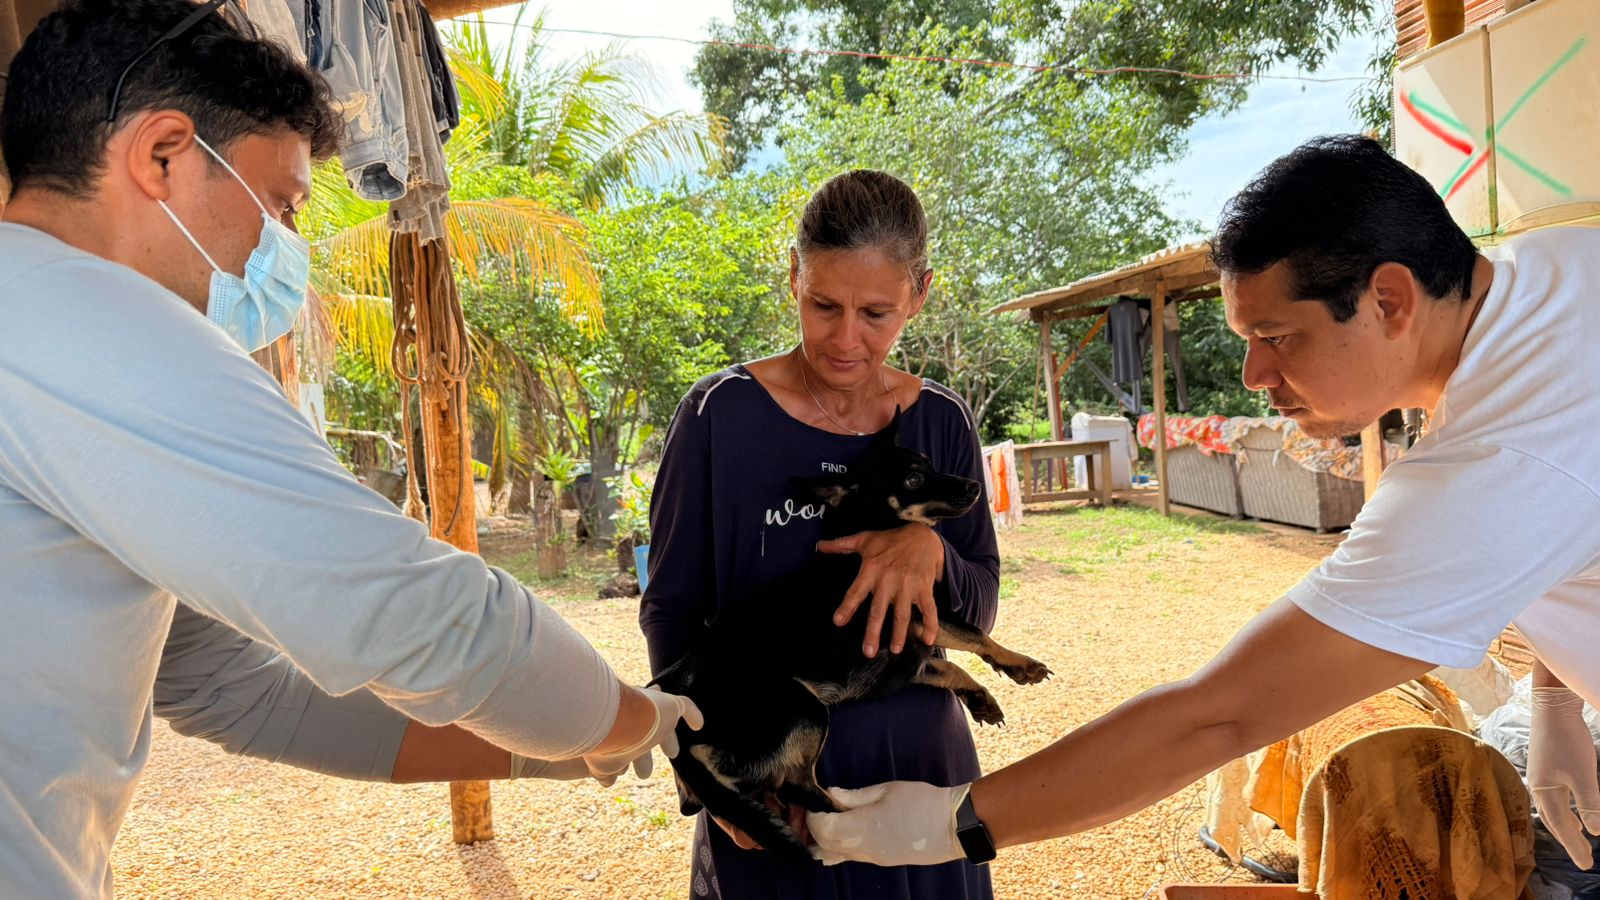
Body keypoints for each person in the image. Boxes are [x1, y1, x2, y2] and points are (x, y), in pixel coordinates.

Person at [0, 1, 699, 896]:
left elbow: (232, 689)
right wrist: (630, 719)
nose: (283, 249)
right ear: (163, 154)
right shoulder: (87, 319)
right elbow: (421, 615)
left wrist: (568, 755)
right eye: (279, 205)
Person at [804, 135, 1600, 877]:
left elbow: (1216, 718)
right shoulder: (1557, 267)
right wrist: (1555, 689)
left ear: (1389, 299)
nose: (1253, 376)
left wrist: (953, 823)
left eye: (1277, 336)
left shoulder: (1493, 460)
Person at [640, 169, 1002, 899]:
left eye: (876, 313)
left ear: (920, 295)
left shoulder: (940, 421)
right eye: (823, 305)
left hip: (921, 781)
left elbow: (980, 605)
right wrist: (706, 777)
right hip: (766, 778)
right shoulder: (720, 416)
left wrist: (928, 551)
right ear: (793, 278)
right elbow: (672, 609)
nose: (844, 339)